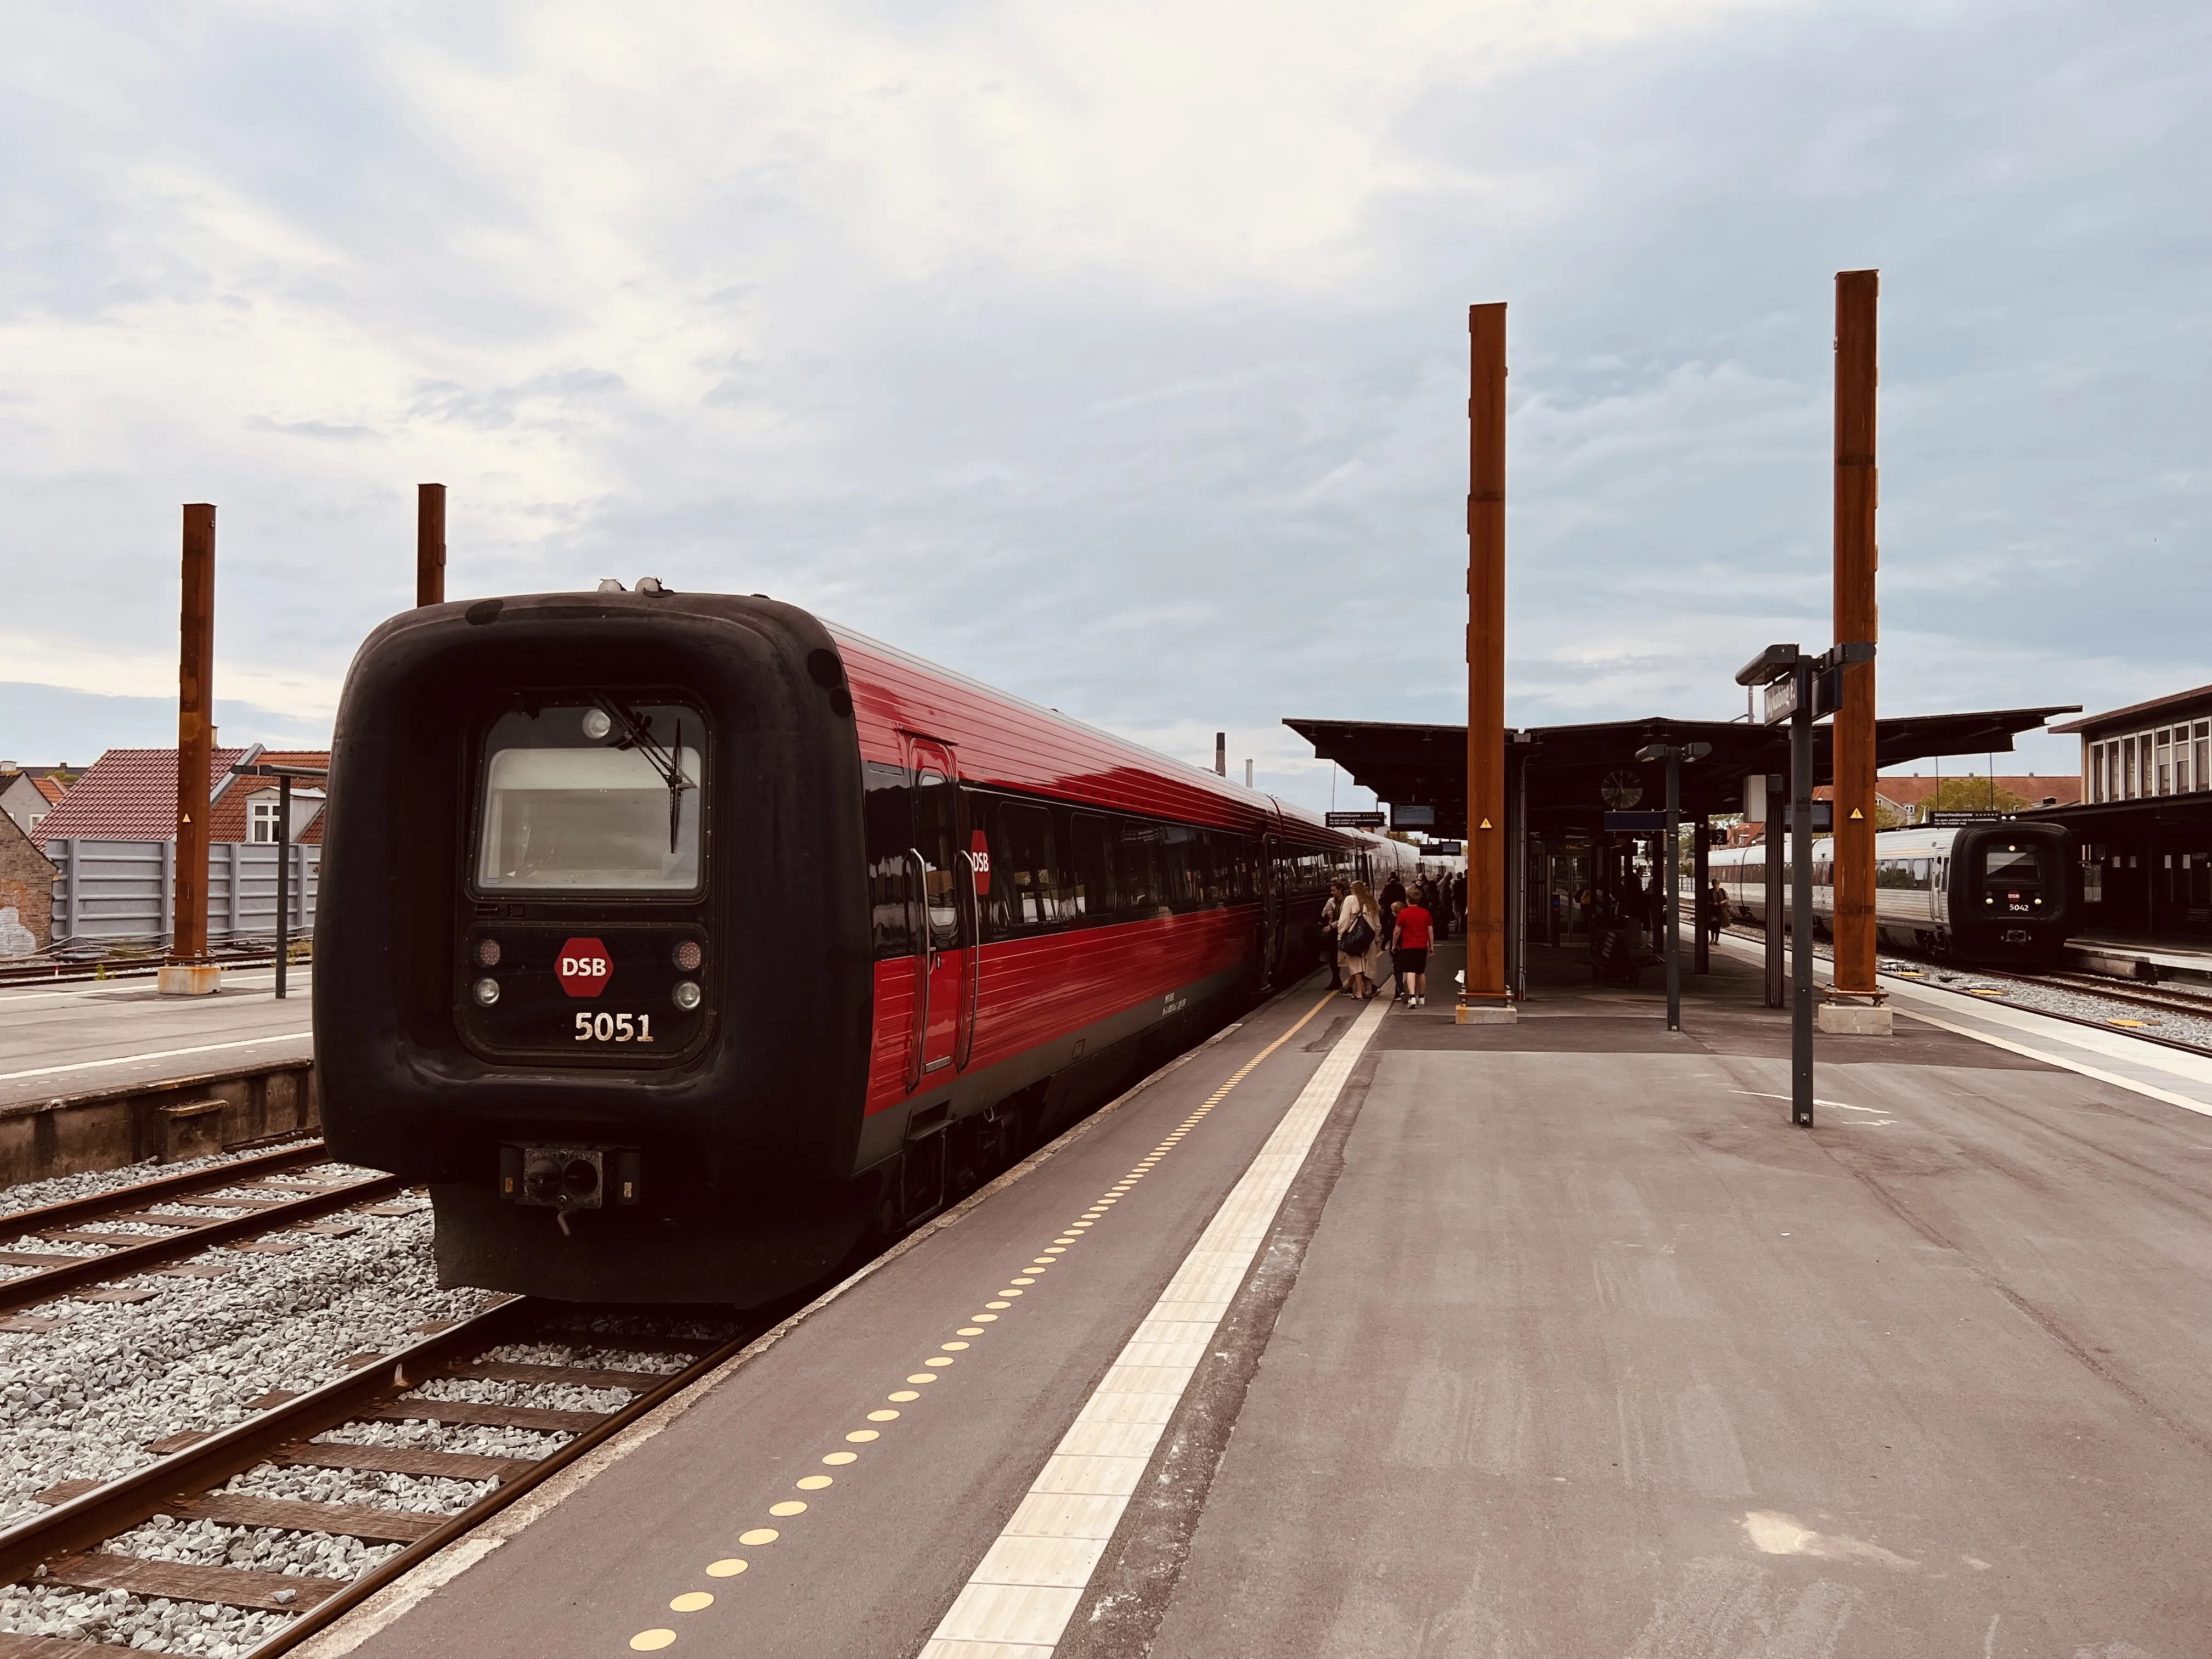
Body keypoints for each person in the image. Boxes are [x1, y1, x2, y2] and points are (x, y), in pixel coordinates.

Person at [1339, 879, 1386, 1000]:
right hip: (1368, 938)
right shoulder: (1371, 902)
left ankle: (1360, 992)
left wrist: (1340, 936)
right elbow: (1377, 924)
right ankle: (1369, 990)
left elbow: (1344, 920)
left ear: (1354, 890)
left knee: (1356, 965)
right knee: (1368, 964)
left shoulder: (1350, 900)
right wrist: (1376, 937)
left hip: (1354, 937)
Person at [1390, 888, 1433, 1006]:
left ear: (1408, 900)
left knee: (1411, 971)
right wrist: (1431, 946)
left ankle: (1412, 997)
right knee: (1421, 972)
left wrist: (1394, 945)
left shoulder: (1403, 913)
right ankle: (1422, 997)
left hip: (1408, 947)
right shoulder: (1425, 913)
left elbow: (1397, 931)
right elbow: (1430, 930)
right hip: (1422, 946)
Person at [1322, 880, 1346, 990]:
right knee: (1333, 958)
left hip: (1342, 932)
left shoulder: (1346, 902)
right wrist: (1326, 914)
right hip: (1333, 934)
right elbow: (1323, 913)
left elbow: (1345, 918)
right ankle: (1336, 979)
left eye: (1334, 890)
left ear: (1340, 891)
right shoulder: (1331, 901)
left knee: (1341, 958)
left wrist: (1332, 926)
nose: (1332, 893)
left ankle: (1339, 981)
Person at [1706, 876, 1729, 946]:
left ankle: (1717, 940)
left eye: (1717, 883)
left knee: (1718, 926)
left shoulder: (1722, 891)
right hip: (1713, 911)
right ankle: (1712, 939)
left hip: (1720, 911)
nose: (1716, 885)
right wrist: (1713, 904)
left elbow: (1727, 899)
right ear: (1712, 884)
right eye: (1714, 884)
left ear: (1719, 884)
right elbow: (1706, 901)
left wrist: (1723, 902)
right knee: (1713, 925)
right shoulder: (1709, 892)